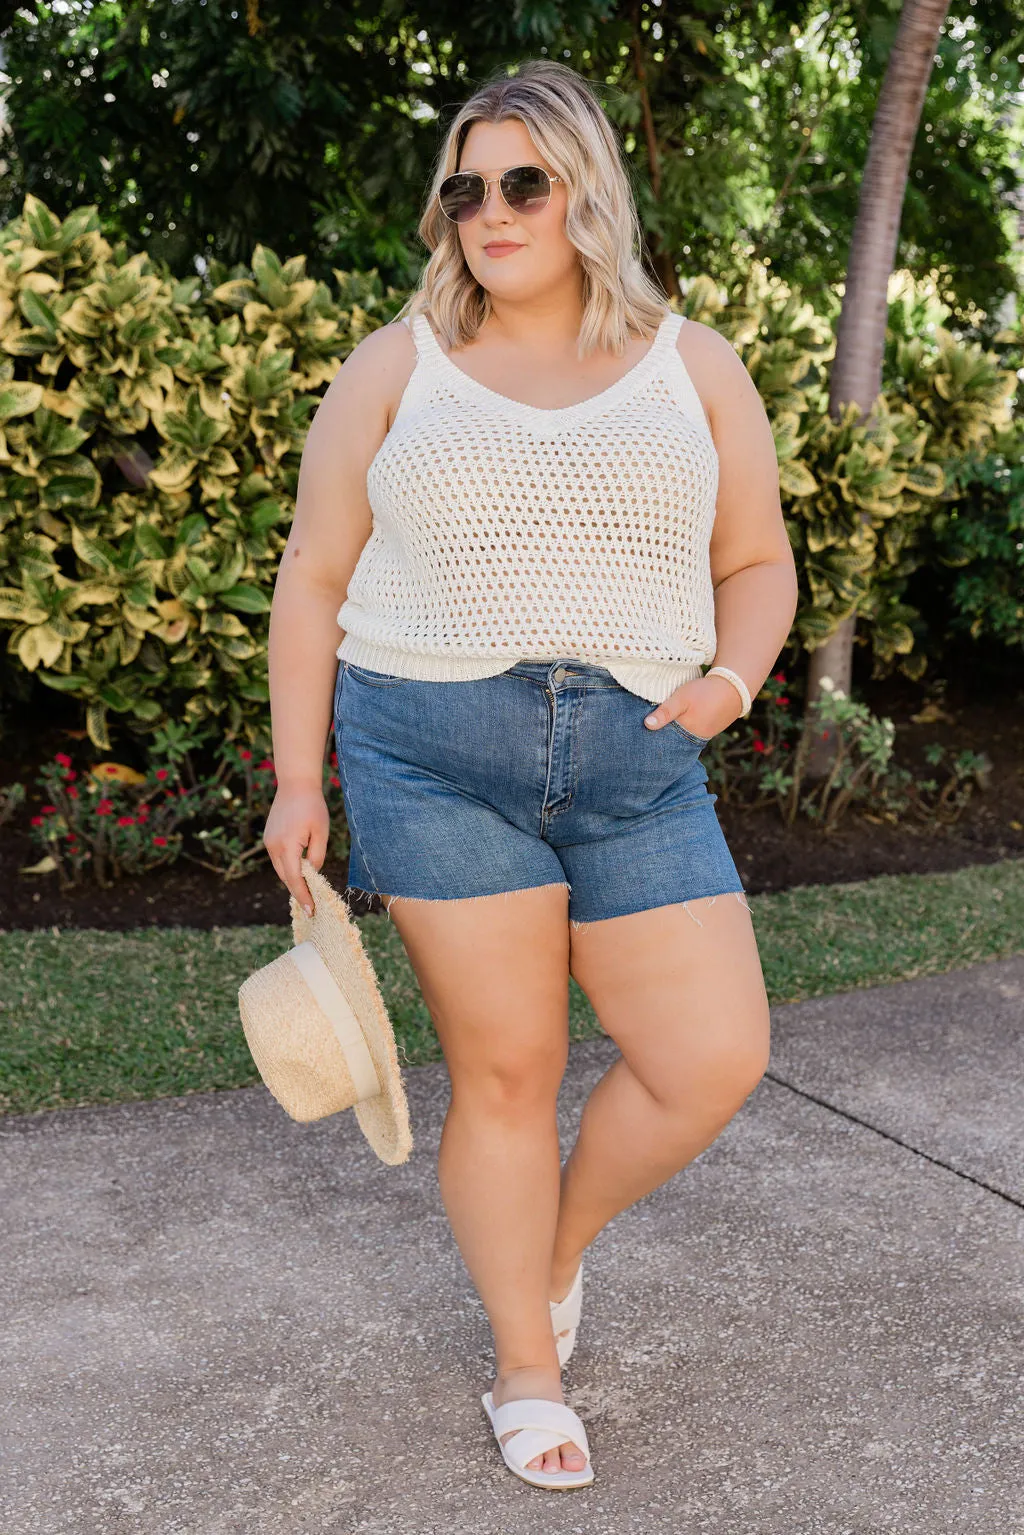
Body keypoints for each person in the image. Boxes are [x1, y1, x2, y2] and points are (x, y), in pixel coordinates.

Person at [264, 58, 797, 1490]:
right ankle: (525, 1360)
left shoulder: (693, 365)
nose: (488, 210)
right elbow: (313, 577)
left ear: (583, 193)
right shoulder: (399, 367)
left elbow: (757, 559)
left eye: (522, 182)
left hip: (639, 756)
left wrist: (726, 687)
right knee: (510, 1070)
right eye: (465, 187)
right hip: (432, 751)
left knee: (711, 1058)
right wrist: (294, 781)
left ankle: (550, 1248)